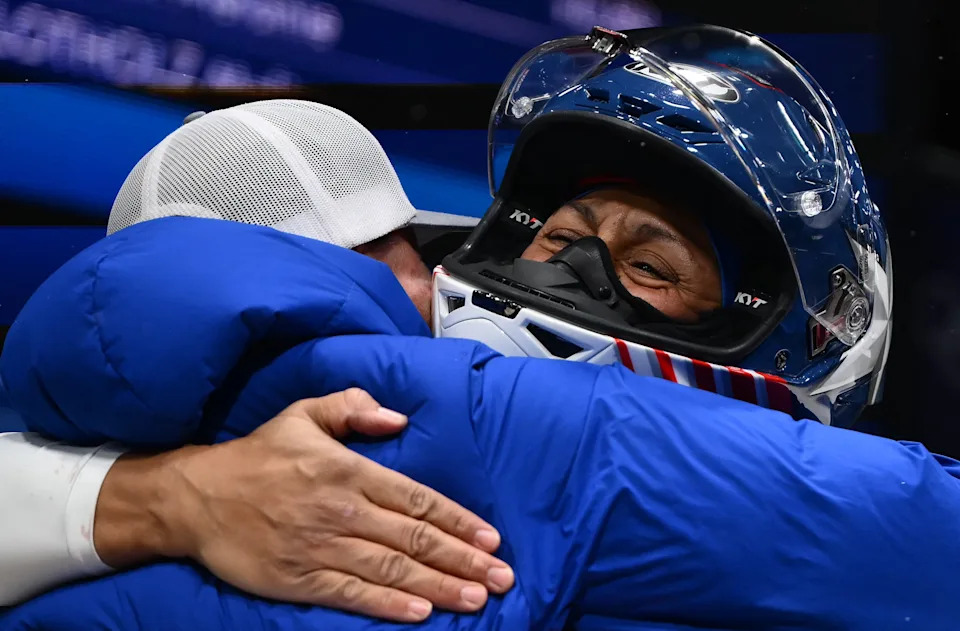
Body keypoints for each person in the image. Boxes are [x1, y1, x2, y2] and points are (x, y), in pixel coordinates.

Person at [2, 24, 959, 631]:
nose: (571, 270)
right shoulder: (493, 421)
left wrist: (153, 499)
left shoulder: (81, 471)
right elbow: (918, 528)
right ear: (398, 256)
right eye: (564, 238)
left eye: (649, 265)